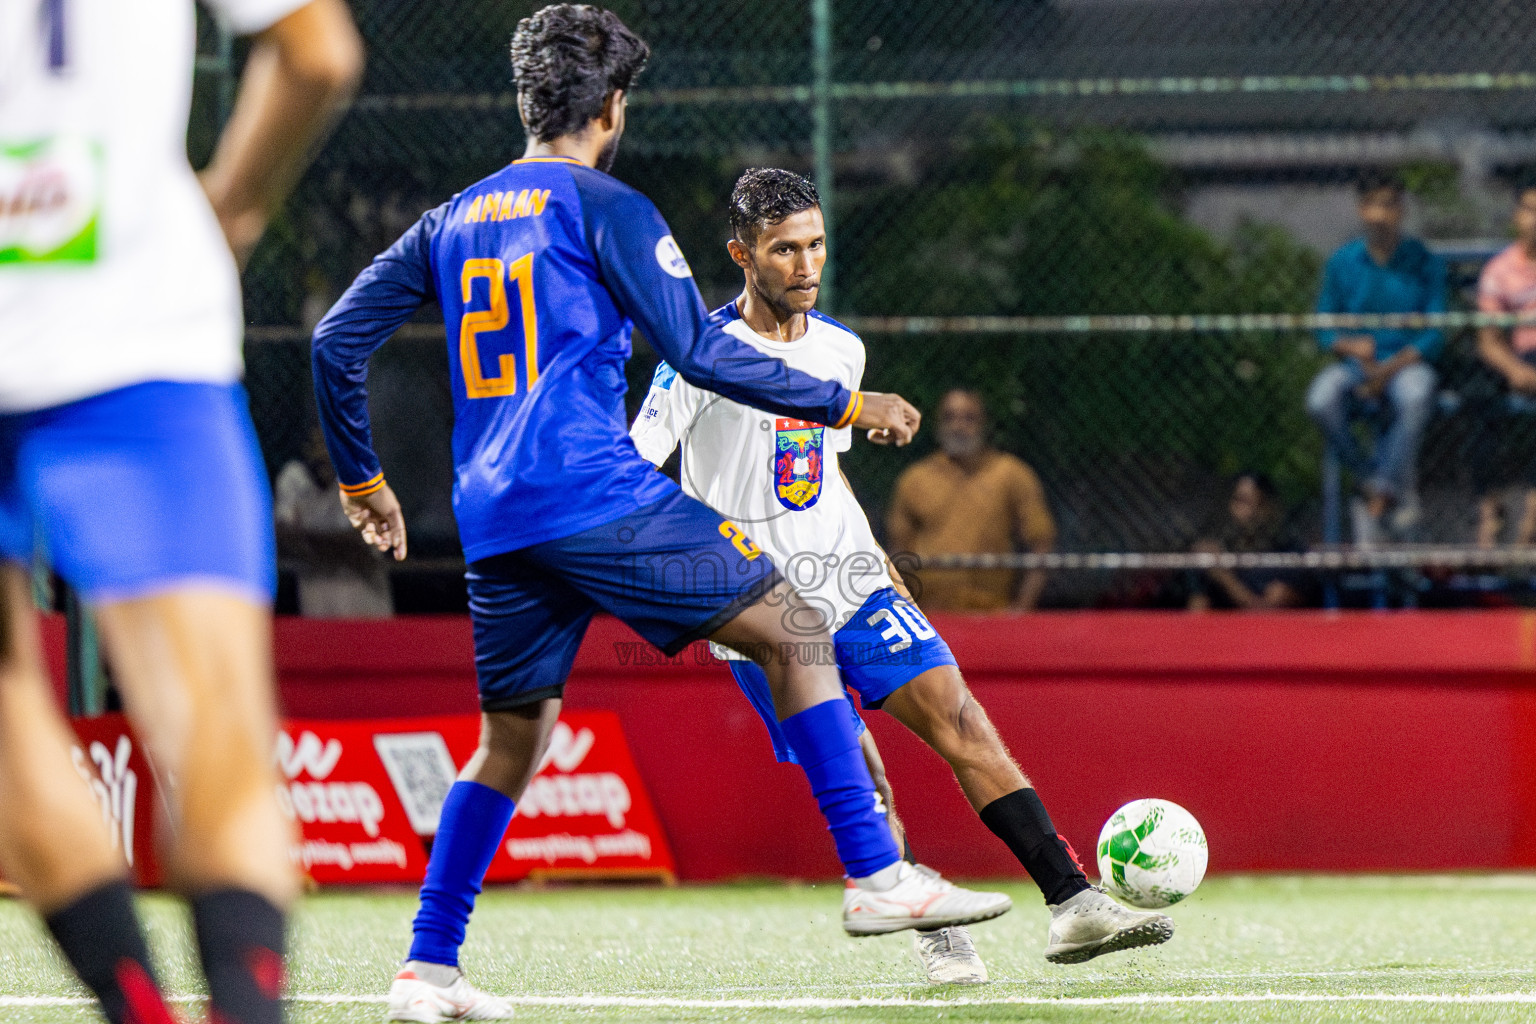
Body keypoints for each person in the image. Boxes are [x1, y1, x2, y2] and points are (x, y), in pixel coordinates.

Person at [310, 9, 1006, 1021]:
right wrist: (845, 402)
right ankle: (876, 873)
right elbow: (702, 352)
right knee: (797, 628)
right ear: (613, 105)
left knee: (509, 738)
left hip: (494, 519)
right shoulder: (610, 206)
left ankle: (427, 968)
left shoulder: (451, 217)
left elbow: (335, 340)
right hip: (595, 493)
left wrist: (362, 483)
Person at [631, 167, 1174, 983]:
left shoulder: (840, 347)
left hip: (853, 581)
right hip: (760, 614)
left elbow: (821, 467)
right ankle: (933, 929)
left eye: (816, 244)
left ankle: (1072, 904)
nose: (806, 265)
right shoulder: (694, 361)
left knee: (962, 716)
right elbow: (634, 471)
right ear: (742, 254)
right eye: (784, 250)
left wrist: (876, 548)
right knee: (862, 763)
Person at [0, 2, 361, 1023]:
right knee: (212, 727)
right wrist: (234, 204)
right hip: (137, 325)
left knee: (9, 715)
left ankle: (138, 1011)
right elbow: (316, 52)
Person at [1305, 170, 1446, 543]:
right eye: (1376, 206)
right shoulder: (1342, 262)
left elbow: (1435, 332)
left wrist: (1389, 369)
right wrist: (1352, 349)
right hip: (1356, 366)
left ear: (1402, 210)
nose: (1384, 215)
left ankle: (1383, 488)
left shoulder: (1424, 262)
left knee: (1416, 396)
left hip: (1405, 364)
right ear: (1362, 210)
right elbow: (1324, 328)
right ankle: (1369, 479)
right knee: (1321, 399)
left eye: (1392, 206)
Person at [886, 390, 1056, 612]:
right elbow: (897, 553)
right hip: (931, 617)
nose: (958, 426)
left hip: (992, 616)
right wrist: (907, 611)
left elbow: (1041, 542)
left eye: (968, 418)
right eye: (949, 417)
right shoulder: (915, 480)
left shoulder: (1011, 474)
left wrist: (1021, 610)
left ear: (984, 424)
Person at [1471, 184, 1536, 547]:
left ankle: (1534, 507)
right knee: (1477, 398)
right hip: (1513, 358)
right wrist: (1515, 371)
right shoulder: (1499, 270)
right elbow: (1488, 340)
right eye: (1529, 209)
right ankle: (1490, 506)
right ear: (1517, 217)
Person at [274, 428, 394, 618]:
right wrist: (338, 546)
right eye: (321, 442)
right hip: (318, 603)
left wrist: (307, 543)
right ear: (308, 447)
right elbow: (282, 539)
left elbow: (359, 544)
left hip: (365, 600)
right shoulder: (293, 477)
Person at [1186, 473, 1309, 611]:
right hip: (1224, 630)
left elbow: (1266, 614)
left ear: (1267, 508)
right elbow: (1197, 614)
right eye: (1237, 501)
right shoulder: (1220, 551)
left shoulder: (1289, 554)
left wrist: (1224, 577)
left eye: (1247, 502)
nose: (1241, 510)